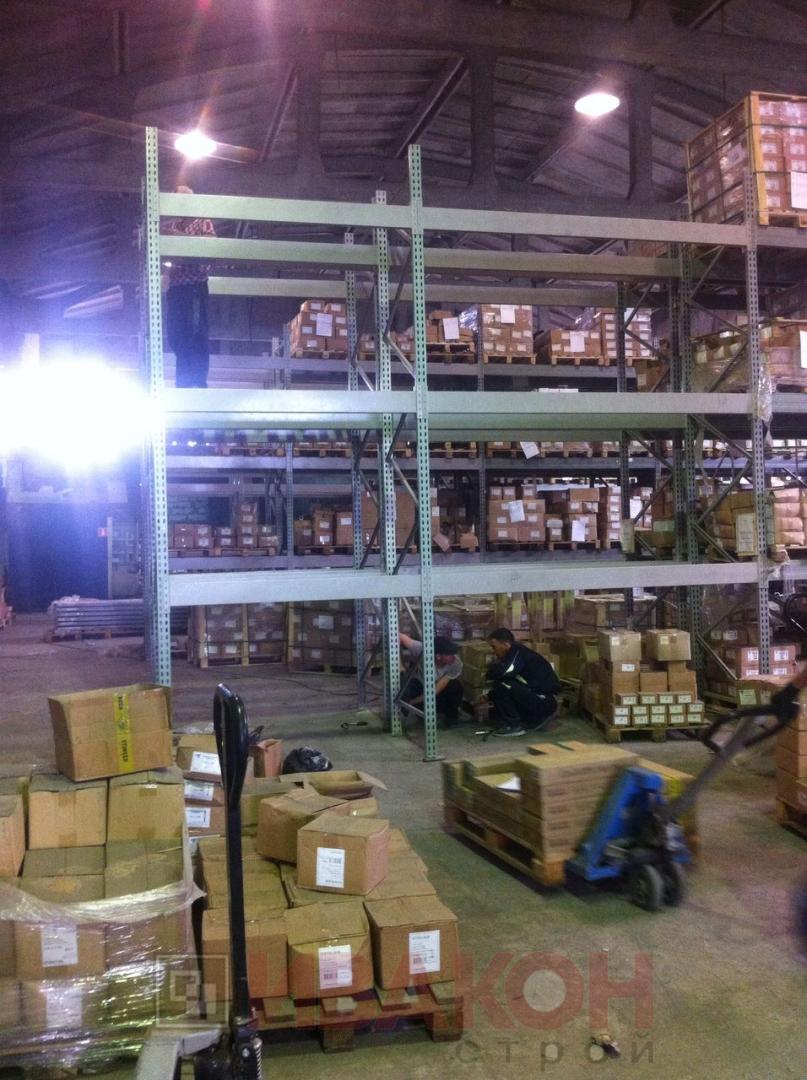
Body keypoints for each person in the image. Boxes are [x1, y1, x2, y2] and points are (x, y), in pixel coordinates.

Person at [161, 185, 215, 389]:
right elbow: (168, 258)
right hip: (176, 290)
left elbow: (209, 248)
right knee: (177, 337)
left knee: (195, 335)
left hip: (194, 288)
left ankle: (198, 384)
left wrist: (177, 238)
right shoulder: (175, 225)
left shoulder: (202, 221)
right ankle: (184, 383)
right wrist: (167, 274)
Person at [487, 627, 561, 737]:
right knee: (497, 690)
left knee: (501, 684)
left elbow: (503, 673)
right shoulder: (513, 653)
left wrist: (490, 670)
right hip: (536, 695)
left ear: (506, 644)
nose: (493, 651)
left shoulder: (517, 653)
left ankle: (514, 726)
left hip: (545, 701)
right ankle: (529, 719)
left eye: (494, 647)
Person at [399, 632, 464, 726]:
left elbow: (435, 690)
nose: (453, 657)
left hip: (435, 694)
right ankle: (419, 712)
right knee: (408, 686)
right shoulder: (422, 649)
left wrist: (410, 703)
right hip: (421, 688)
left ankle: (451, 717)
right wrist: (400, 665)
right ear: (438, 656)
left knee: (456, 686)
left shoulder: (456, 664)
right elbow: (399, 636)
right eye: (449, 655)